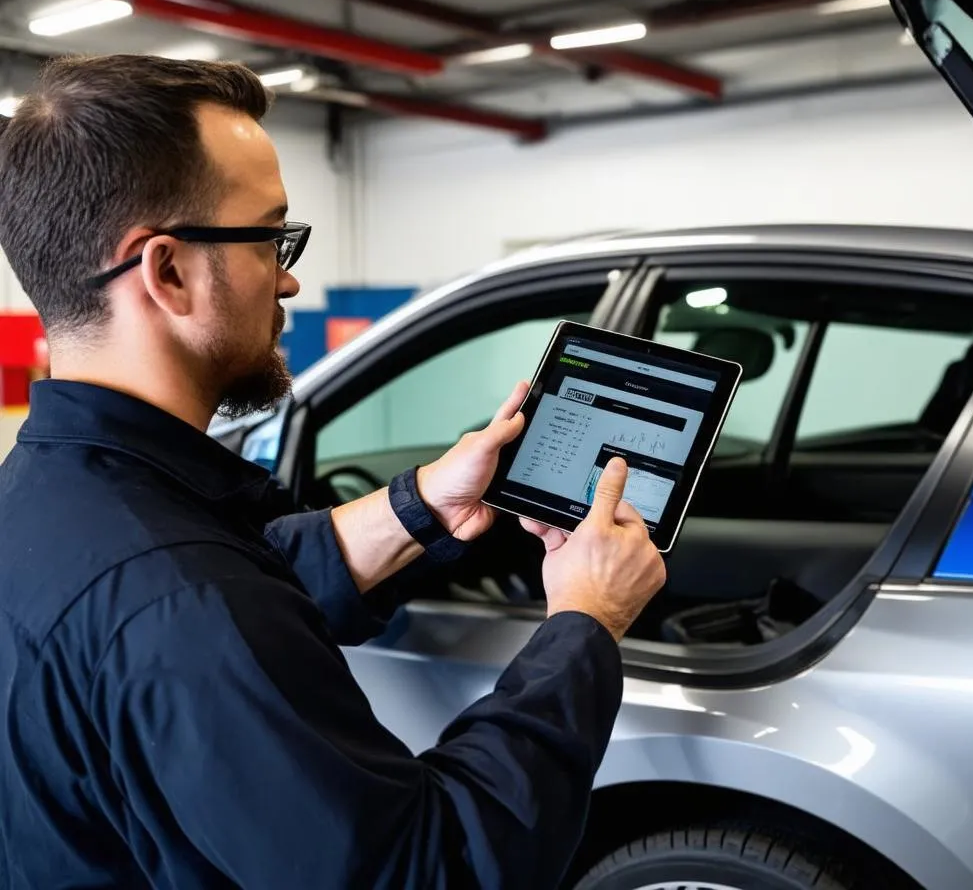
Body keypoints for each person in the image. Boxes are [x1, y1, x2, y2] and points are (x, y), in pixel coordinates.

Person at [0, 55, 666, 889]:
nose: (289, 276)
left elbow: (236, 579)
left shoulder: (43, 501)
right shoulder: (178, 599)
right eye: (270, 235)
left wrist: (421, 506)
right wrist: (587, 623)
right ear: (166, 271)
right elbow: (430, 870)